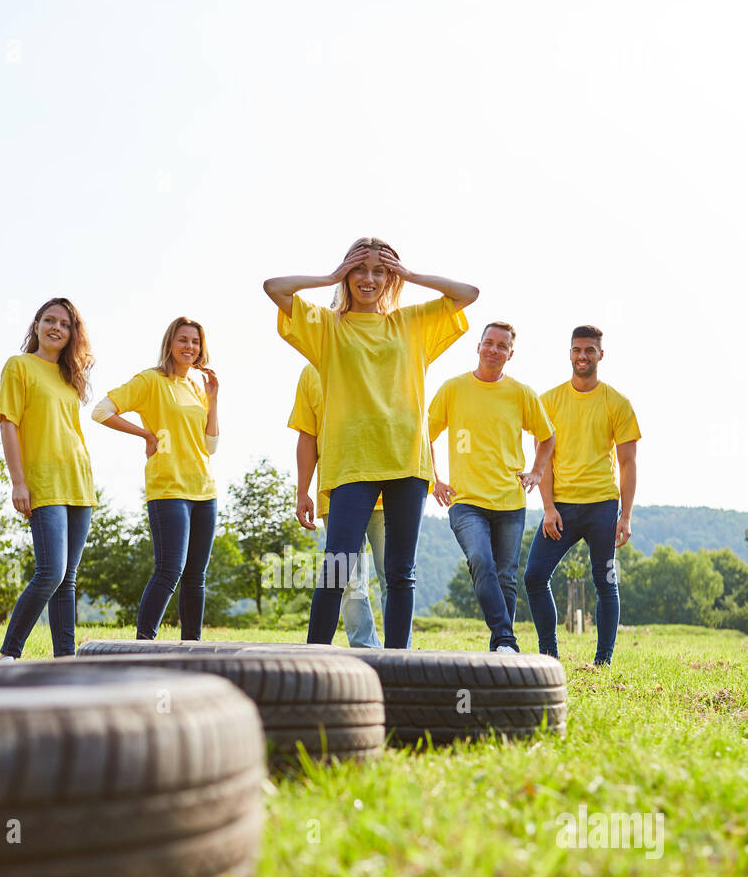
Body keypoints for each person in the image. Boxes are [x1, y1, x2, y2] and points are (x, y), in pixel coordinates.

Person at [264, 237, 478, 648]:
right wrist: (329, 275)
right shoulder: (328, 327)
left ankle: (398, 665)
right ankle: (314, 662)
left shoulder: (411, 323)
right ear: (347, 275)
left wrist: (411, 274)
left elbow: (468, 294)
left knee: (400, 572)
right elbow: (275, 287)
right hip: (351, 463)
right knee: (338, 566)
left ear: (390, 277)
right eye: (360, 269)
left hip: (405, 462)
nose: (369, 278)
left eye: (380, 270)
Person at [429, 322, 554, 653]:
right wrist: (433, 478)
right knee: (481, 560)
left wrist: (537, 472)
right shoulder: (453, 389)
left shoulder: (521, 393)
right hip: (466, 500)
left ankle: (501, 646)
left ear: (510, 353)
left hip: (510, 501)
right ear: (478, 346)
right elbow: (422, 434)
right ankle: (506, 639)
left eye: (502, 346)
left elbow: (547, 435)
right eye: (489, 343)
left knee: (506, 577)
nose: (494, 350)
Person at [91, 317, 219, 640]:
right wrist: (144, 433)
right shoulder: (151, 381)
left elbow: (211, 445)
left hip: (204, 490)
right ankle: (143, 644)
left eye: (195, 342)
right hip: (168, 489)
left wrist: (214, 399)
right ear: (170, 344)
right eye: (183, 340)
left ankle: (192, 647)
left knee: (196, 576)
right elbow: (102, 411)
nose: (190, 347)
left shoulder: (197, 387)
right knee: (170, 570)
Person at [524, 325, 641, 666]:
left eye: (590, 350)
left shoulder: (617, 403)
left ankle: (602, 662)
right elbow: (542, 460)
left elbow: (628, 463)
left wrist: (626, 515)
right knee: (534, 576)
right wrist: (547, 507)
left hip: (602, 507)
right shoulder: (548, 401)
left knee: (605, 580)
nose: (583, 356)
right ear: (570, 353)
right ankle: (549, 655)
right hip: (560, 508)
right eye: (577, 350)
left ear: (601, 354)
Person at [0, 297, 97, 659]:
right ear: (36, 325)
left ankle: (65, 659)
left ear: (72, 334)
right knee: (51, 572)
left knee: (68, 579)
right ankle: (10, 653)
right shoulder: (19, 366)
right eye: (50, 320)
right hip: (42, 481)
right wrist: (18, 482)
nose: (57, 328)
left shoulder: (71, 376)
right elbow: (9, 423)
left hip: (79, 481)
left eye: (65, 324)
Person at [288, 363, 387, 647]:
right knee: (347, 580)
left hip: (387, 488)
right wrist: (302, 491)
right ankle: (366, 648)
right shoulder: (311, 372)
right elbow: (307, 435)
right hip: (337, 491)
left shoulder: (381, 353)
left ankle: (397, 654)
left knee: (394, 577)